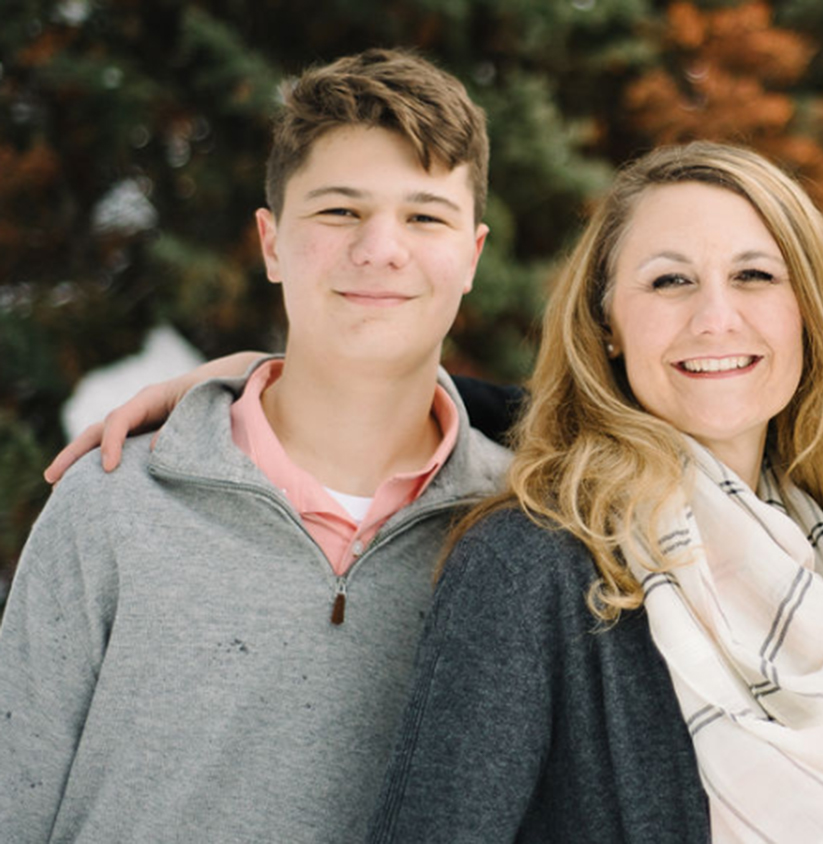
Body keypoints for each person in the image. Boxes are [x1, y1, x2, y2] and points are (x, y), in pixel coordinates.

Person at [0, 49, 513, 842]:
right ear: (271, 244)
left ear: (472, 256)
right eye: (340, 211)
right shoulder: (111, 505)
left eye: (424, 216)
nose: (381, 248)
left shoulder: (520, 531)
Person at [367, 141, 823, 842]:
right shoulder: (529, 565)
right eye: (669, 282)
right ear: (608, 326)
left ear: (807, 311)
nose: (716, 318)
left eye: (754, 275)